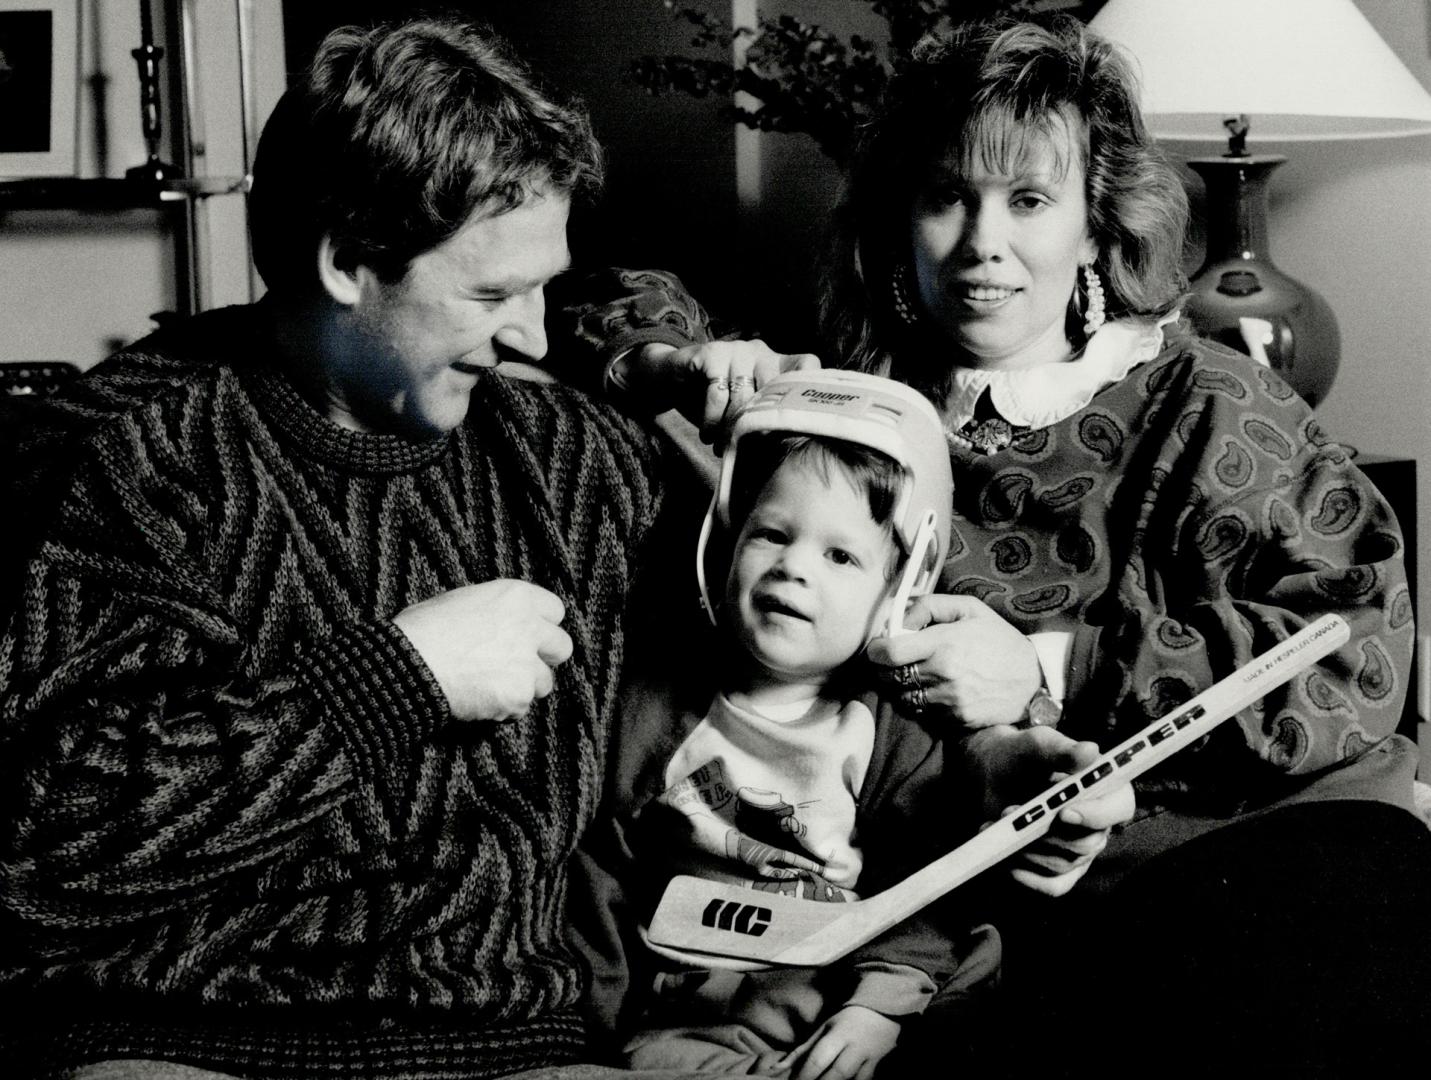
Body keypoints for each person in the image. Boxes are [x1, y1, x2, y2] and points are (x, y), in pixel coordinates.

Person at [585, 14, 1431, 1075]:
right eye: (948, 197)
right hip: (979, 909)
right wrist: (684, 361)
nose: (984, 242)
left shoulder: (1212, 404)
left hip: (1242, 853)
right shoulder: (849, 412)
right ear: (901, 219)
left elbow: (1361, 646)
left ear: (1093, 225)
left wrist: (1053, 666)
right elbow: (581, 308)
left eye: (1029, 201)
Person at [0, 17, 761, 1080]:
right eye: (493, 296)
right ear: (349, 261)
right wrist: (389, 681)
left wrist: (988, 717)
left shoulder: (572, 456)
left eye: (542, 288)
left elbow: (802, 632)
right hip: (184, 1037)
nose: (533, 336)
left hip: (503, 1042)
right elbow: (38, 861)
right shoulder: (138, 463)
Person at [585, 371, 1005, 1079]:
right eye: (771, 534)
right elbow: (604, 874)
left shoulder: (889, 731)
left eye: (840, 555)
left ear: (899, 588)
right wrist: (594, 1012)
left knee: (977, 979)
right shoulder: (652, 710)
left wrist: (879, 1003)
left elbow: (924, 887)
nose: (792, 568)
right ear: (725, 539)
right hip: (705, 1011)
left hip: (852, 994)